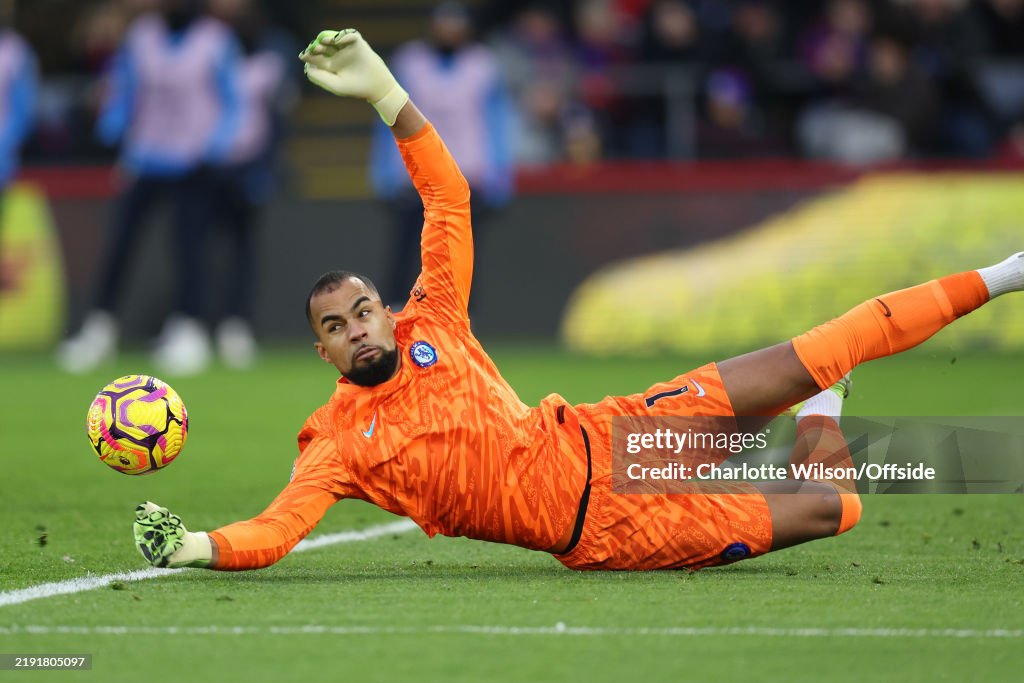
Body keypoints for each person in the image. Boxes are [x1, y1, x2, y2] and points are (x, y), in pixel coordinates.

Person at [132, 29, 1024, 573]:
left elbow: (448, 197)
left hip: (616, 432)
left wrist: (388, 97)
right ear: (322, 353)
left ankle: (1009, 271)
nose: (357, 329)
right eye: (335, 327)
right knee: (834, 508)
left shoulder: (434, 317)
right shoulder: (334, 443)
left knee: (826, 343)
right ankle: (823, 415)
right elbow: (276, 528)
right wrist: (198, 545)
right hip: (613, 529)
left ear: (388, 313)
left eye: (363, 311)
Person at [56, 0, 242, 376]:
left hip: (193, 162)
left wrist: (215, 147)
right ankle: (99, 329)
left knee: (190, 250)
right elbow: (123, 91)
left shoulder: (217, 40)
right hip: (145, 158)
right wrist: (111, 132)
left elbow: (234, 102)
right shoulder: (141, 37)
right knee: (121, 247)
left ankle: (189, 329)